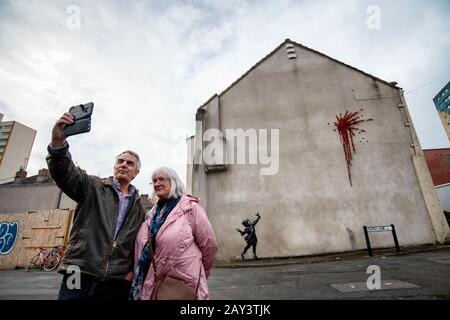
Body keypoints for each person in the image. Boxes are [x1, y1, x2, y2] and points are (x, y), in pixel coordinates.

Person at [47, 111, 146, 300]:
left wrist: (131, 271)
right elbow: (64, 173)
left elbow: (138, 243)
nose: (124, 165)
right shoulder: (92, 187)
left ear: (136, 172)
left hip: (116, 280)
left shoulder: (139, 207)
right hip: (78, 271)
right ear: (114, 166)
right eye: (120, 161)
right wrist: (58, 144)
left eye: (130, 163)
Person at [130, 167, 217, 300]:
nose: (157, 183)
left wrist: (198, 274)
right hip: (151, 283)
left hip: (182, 284)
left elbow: (209, 245)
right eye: (154, 181)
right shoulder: (152, 214)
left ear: (173, 182)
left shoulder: (190, 208)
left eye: (161, 179)